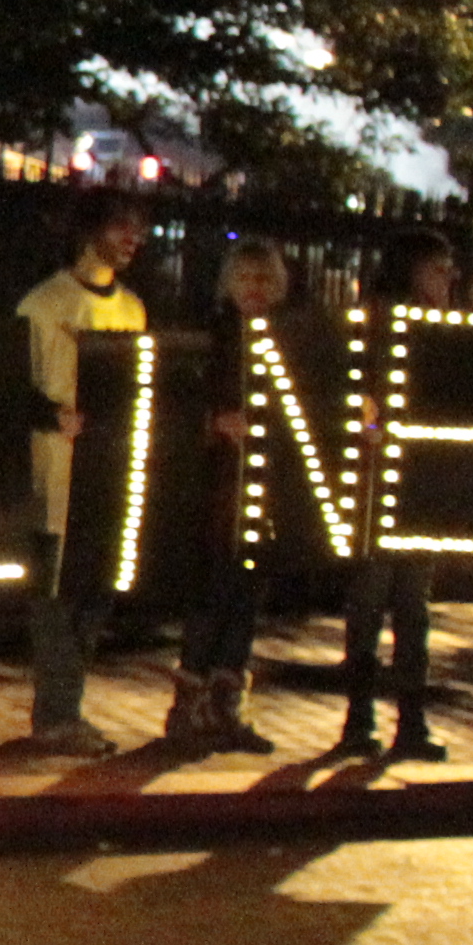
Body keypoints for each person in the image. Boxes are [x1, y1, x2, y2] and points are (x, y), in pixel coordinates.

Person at [6, 193, 149, 759]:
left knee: (95, 589)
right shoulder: (44, 305)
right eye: (122, 227)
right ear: (91, 233)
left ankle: (69, 707)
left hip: (108, 473)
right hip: (57, 474)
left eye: (138, 230)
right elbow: (14, 384)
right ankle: (56, 714)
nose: (133, 239)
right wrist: (51, 415)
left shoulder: (133, 310)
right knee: (56, 593)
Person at [328, 226, 462, 763]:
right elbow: (348, 386)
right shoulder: (377, 322)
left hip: (417, 485)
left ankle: (405, 719)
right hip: (377, 484)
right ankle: (364, 719)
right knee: (374, 601)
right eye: (437, 267)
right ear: (411, 269)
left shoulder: (438, 326)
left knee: (410, 605)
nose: (446, 278)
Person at [162, 239, 298, 758]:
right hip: (217, 485)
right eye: (247, 279)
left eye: (265, 280)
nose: (257, 290)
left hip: (263, 489)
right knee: (213, 589)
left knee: (246, 596)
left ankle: (225, 704)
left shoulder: (286, 340)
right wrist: (213, 423)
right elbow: (174, 402)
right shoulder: (211, 339)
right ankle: (190, 703)